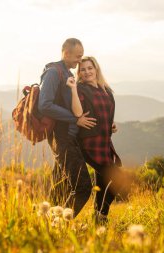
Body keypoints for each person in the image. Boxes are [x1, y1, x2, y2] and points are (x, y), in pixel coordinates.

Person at [38, 38, 96, 217]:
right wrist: (74, 119)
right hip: (61, 138)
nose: (80, 61)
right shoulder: (54, 73)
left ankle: (45, 228)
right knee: (83, 187)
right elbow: (44, 105)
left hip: (68, 137)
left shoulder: (66, 72)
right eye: (78, 57)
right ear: (66, 53)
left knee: (60, 187)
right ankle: (60, 226)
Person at [66, 56, 123, 223]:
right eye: (82, 69)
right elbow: (77, 112)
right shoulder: (80, 89)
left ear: (96, 69)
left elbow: (105, 112)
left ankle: (99, 217)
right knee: (115, 177)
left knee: (104, 180)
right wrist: (73, 89)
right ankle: (101, 215)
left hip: (104, 141)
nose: (87, 72)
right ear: (79, 73)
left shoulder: (106, 90)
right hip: (88, 143)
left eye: (90, 68)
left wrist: (110, 124)